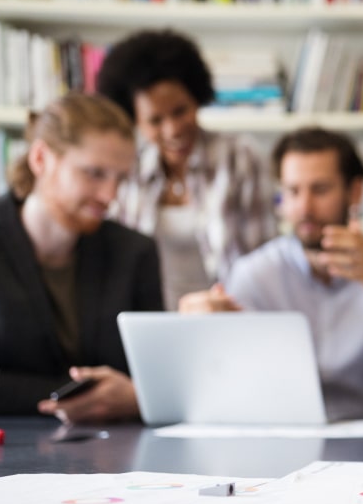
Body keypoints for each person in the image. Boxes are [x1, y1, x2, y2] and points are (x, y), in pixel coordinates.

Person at [0, 93, 163, 424]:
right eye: (95, 173)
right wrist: (118, 395)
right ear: (41, 159)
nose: (110, 195)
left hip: (115, 452)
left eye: (120, 178)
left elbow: (152, 378)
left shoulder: (134, 252)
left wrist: (140, 394)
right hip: (0, 450)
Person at [178, 128, 363, 420]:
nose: (305, 207)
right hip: (282, 440)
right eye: (293, 191)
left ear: (356, 191)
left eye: (320, 189)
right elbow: (229, 386)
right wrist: (199, 334)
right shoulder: (255, 274)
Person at [98, 29, 274, 310]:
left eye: (180, 111)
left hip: (228, 317)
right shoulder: (127, 170)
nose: (172, 129)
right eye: (155, 120)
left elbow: (262, 262)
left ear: (197, 97)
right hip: (150, 318)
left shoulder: (241, 159)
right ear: (134, 121)